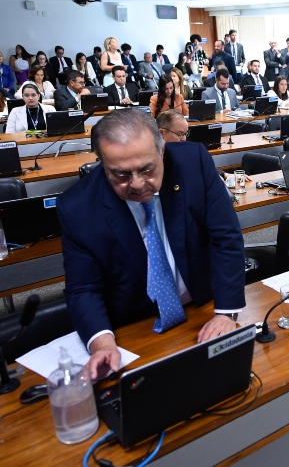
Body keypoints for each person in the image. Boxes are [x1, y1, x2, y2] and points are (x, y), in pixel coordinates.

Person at [57, 108, 245, 379]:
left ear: (163, 149)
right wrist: (103, 344)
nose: (137, 184)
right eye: (120, 175)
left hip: (203, 310)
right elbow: (83, 289)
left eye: (147, 169)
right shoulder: (77, 207)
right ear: (102, 163)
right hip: (136, 328)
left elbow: (225, 236)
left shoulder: (193, 162)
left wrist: (226, 312)